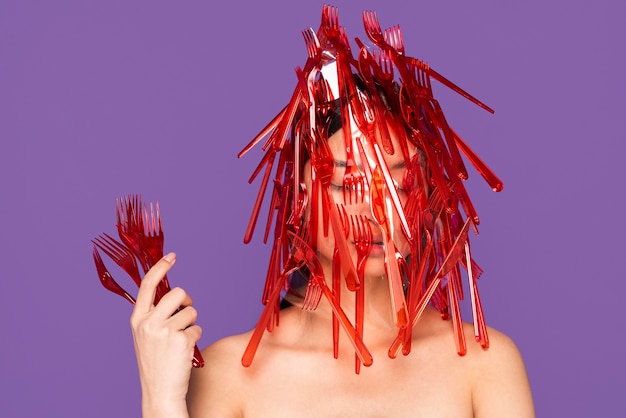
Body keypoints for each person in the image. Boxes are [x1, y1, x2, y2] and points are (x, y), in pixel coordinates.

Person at [130, 6, 535, 417]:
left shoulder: (485, 364)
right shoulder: (229, 374)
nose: (378, 209)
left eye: (401, 185)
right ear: (301, 197)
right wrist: (159, 398)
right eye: (350, 182)